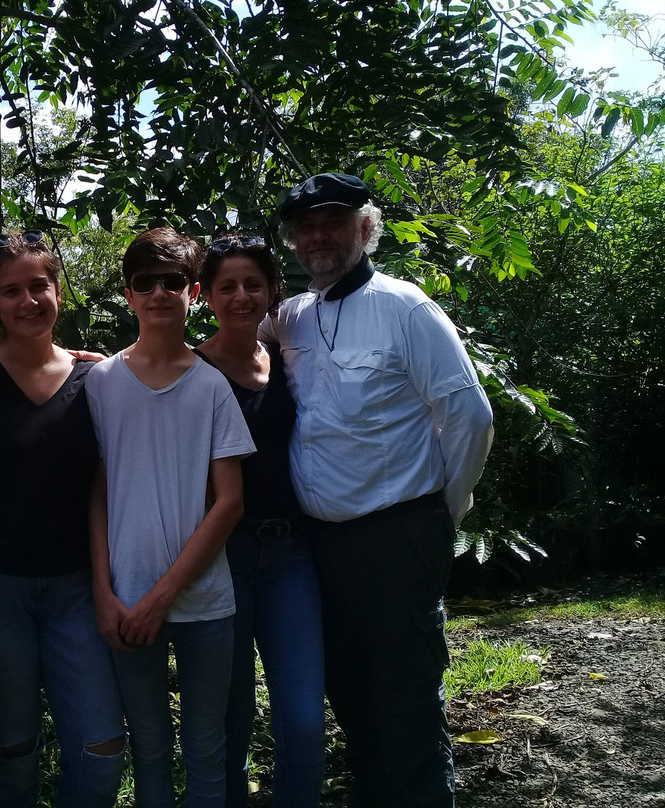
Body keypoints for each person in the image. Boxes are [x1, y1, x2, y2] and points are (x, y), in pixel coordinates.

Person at [260, 173, 494, 808]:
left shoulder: (405, 306)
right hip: (321, 548)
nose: (317, 236)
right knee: (351, 697)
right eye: (304, 226)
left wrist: (443, 510)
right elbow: (222, 355)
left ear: (364, 228)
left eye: (331, 222)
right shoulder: (290, 319)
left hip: (400, 534)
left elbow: (470, 416)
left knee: (407, 698)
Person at [0, 231, 126, 808]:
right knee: (10, 752)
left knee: (101, 751)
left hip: (78, 590)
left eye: (38, 285)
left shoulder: (98, 380)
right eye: (10, 290)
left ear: (58, 291)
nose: (27, 301)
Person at [86, 227, 255, 808]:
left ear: (193, 292)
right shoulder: (101, 383)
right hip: (125, 599)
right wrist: (104, 591)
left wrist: (165, 596)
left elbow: (229, 502)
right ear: (128, 296)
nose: (159, 293)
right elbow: (98, 491)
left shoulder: (213, 388)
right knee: (151, 747)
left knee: (207, 746)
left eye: (173, 282)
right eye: (144, 283)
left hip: (206, 602)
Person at [194, 234, 325, 808]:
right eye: (227, 286)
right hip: (224, 557)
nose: (241, 296)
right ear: (207, 296)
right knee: (232, 716)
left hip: (292, 555)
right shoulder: (191, 370)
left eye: (254, 284)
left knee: (302, 720)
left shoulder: (290, 360)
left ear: (275, 291)